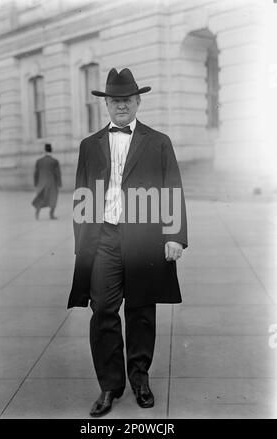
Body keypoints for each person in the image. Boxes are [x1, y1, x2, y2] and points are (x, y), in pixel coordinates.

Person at [68, 68, 188, 417]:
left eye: (127, 100)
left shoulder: (158, 141)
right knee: (102, 309)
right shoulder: (89, 146)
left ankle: (139, 379)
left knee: (141, 310)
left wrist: (175, 235)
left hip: (144, 239)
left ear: (137, 102)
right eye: (114, 101)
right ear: (107, 105)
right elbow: (81, 196)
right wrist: (82, 244)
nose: (121, 106)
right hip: (103, 238)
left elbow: (172, 188)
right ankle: (110, 385)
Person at [32, 143, 62, 220]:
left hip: (41, 183)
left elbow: (36, 173)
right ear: (51, 150)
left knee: (40, 198)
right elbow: (57, 173)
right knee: (53, 198)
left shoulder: (39, 161)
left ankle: (37, 213)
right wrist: (59, 183)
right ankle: (51, 214)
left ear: (44, 150)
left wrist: (35, 183)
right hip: (52, 183)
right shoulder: (55, 161)